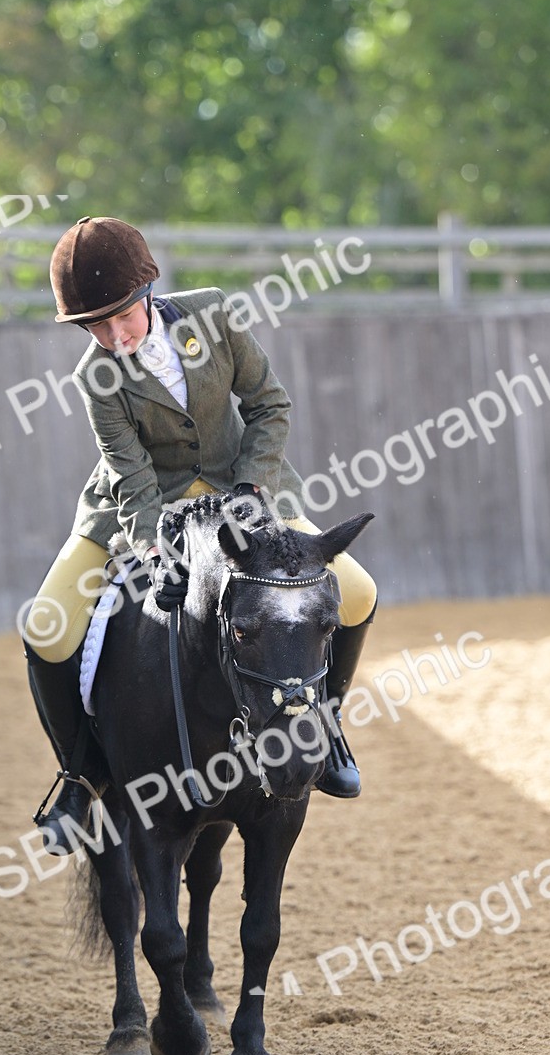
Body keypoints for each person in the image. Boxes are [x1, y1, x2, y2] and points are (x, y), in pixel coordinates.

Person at [24, 216, 377, 852]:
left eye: (121, 319)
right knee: (45, 629)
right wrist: (151, 543)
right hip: (140, 507)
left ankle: (328, 725)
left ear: (148, 292)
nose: (113, 337)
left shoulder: (213, 315)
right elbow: (128, 471)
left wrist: (251, 490)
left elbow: (270, 404)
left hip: (248, 490)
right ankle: (78, 777)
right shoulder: (94, 377)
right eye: (94, 327)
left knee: (357, 592)